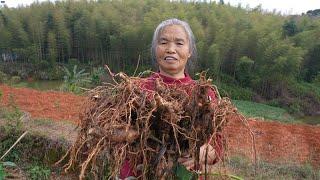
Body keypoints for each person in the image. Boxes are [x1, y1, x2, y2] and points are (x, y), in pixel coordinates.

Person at [120, 18, 223, 179]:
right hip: (137, 174)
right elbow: (115, 129)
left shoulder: (203, 93)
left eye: (179, 43)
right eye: (163, 42)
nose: (170, 49)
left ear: (189, 51)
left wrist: (210, 152)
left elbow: (217, 139)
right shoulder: (136, 89)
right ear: (155, 49)